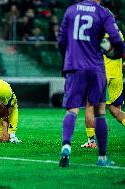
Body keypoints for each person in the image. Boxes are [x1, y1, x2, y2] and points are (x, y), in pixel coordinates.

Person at [58, 0, 125, 167]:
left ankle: (67, 146)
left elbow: (61, 40)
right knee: (101, 112)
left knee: (73, 109)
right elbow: (116, 43)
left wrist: (65, 61)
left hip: (74, 67)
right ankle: (102, 158)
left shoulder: (71, 11)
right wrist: (114, 53)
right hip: (97, 70)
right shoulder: (103, 13)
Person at [82, 31, 125, 148]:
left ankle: (91, 141)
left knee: (90, 106)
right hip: (116, 76)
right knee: (115, 110)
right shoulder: (118, 34)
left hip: (100, 75)